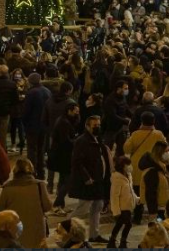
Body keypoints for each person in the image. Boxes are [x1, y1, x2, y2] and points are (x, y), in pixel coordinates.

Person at [68, 115, 110, 243]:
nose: (98, 127)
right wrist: (86, 177)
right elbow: (77, 162)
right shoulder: (82, 141)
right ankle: (65, 227)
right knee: (83, 208)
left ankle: (94, 235)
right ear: (87, 126)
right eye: (95, 125)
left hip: (98, 180)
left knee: (97, 207)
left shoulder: (97, 139)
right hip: (89, 181)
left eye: (99, 125)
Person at [0, 158, 52, 248]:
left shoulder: (7, 188)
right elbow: (47, 206)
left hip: (15, 230)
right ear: (31, 170)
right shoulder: (39, 185)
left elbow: (0, 211)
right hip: (37, 229)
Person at [124, 110, 167, 221]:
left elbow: (126, 148)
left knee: (137, 191)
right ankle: (157, 217)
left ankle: (137, 216)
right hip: (154, 167)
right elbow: (165, 148)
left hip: (137, 167)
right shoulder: (158, 134)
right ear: (154, 121)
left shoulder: (135, 134)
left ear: (141, 121)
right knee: (154, 192)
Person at [47, 102, 79, 215]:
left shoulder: (64, 120)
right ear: (69, 111)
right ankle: (57, 204)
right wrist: (77, 140)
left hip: (61, 155)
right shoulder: (64, 123)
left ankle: (60, 205)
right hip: (62, 156)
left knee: (63, 180)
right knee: (68, 180)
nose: (77, 113)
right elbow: (66, 141)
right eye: (76, 111)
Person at [21, 74, 50, 178]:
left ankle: (32, 171)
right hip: (44, 125)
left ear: (30, 81)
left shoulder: (31, 93)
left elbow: (26, 111)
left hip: (32, 125)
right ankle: (41, 172)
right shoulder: (47, 91)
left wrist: (24, 123)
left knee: (32, 150)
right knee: (41, 149)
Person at [138, 140, 169, 221]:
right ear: (159, 152)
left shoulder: (161, 167)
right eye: (166, 151)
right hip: (157, 210)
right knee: (158, 228)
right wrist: (153, 212)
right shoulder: (152, 171)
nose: (168, 153)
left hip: (162, 207)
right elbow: (150, 193)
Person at [108, 156, 136, 249]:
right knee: (128, 224)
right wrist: (116, 211)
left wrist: (136, 199)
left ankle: (113, 241)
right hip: (121, 207)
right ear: (123, 166)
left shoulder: (128, 176)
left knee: (120, 224)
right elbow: (114, 196)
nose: (130, 166)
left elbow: (130, 191)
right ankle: (121, 242)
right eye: (128, 164)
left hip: (128, 206)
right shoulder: (117, 178)